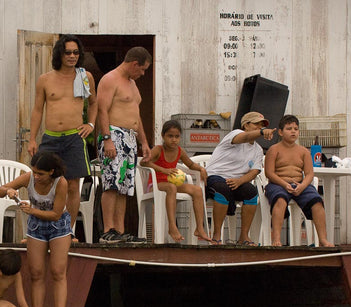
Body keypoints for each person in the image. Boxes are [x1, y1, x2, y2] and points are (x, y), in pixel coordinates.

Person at [28, 34, 97, 240]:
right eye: (68, 52)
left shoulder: (85, 77)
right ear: (60, 53)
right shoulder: (45, 79)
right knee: (43, 182)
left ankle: (68, 230)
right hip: (50, 138)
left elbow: (94, 103)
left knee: (73, 185)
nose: (72, 56)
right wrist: (32, 138)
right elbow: (38, 110)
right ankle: (40, 228)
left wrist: (91, 125)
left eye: (76, 52)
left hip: (74, 137)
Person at [0, 152, 71, 307]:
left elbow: (55, 214)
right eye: (34, 172)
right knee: (36, 273)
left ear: (51, 172)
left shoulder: (61, 183)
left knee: (58, 272)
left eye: (41, 174)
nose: (36, 176)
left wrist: (31, 210)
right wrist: (8, 190)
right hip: (36, 226)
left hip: (58, 226)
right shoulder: (29, 177)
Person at [96, 46, 153, 244]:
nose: (143, 74)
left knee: (124, 186)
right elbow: (102, 110)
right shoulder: (110, 79)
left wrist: (144, 141)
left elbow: (136, 114)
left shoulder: (132, 84)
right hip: (114, 134)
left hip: (130, 136)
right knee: (111, 183)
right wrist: (107, 138)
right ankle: (108, 229)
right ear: (134, 64)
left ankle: (119, 230)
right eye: (142, 69)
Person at [205, 111, 275, 245]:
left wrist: (240, 181)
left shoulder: (258, 150)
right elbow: (245, 137)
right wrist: (262, 132)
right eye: (257, 124)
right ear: (246, 125)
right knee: (222, 189)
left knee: (251, 193)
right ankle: (216, 235)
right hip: (215, 177)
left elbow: (254, 171)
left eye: (262, 126)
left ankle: (244, 236)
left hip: (236, 181)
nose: (260, 128)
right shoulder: (235, 134)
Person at [264, 115, 334, 247]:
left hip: (299, 184)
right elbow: (269, 173)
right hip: (278, 184)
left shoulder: (303, 151)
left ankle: (323, 239)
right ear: (280, 132)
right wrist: (284, 184)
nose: (293, 131)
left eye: (296, 129)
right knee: (280, 200)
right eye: (289, 128)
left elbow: (309, 173)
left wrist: (302, 186)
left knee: (317, 202)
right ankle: (277, 238)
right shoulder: (274, 150)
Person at [141, 120, 213, 244]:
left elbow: (190, 164)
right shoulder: (158, 150)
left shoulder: (179, 151)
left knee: (197, 190)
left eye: (176, 136)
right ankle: (172, 226)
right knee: (171, 188)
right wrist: (163, 170)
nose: (174, 140)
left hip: (171, 184)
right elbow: (144, 162)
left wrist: (201, 168)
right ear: (163, 136)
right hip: (156, 185)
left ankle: (199, 228)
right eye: (170, 136)